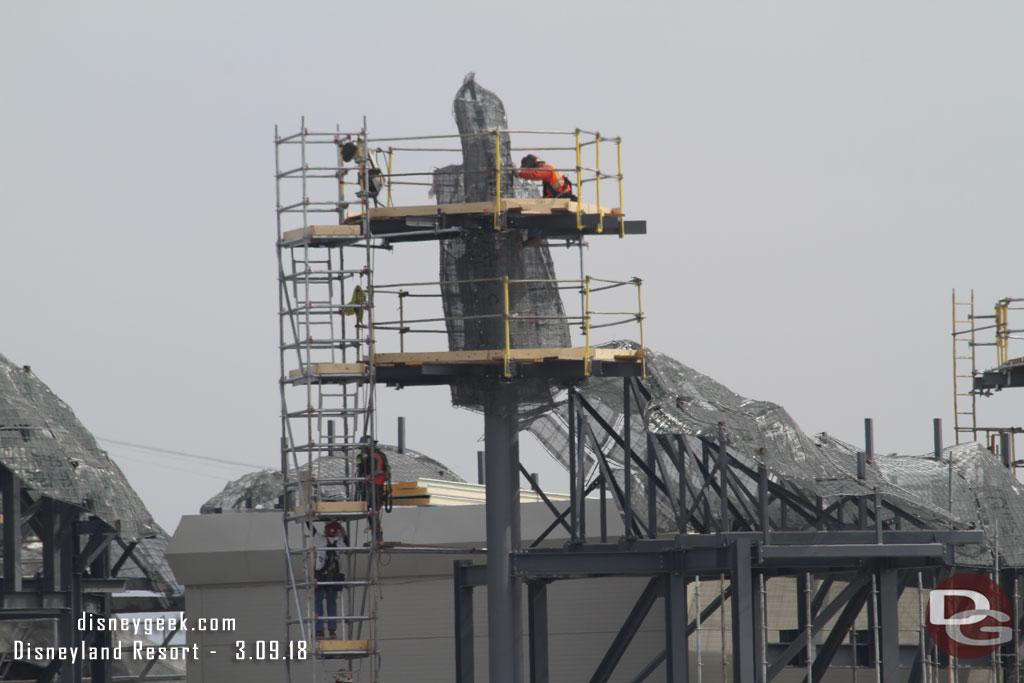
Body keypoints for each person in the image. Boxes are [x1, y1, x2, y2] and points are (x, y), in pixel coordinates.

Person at [314, 520, 348, 639]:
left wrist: (311, 516)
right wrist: (341, 525)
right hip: (333, 577)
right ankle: (332, 630)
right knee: (331, 604)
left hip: (321, 576)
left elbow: (310, 528)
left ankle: (319, 630)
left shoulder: (320, 540)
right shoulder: (340, 543)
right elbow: (346, 540)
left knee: (318, 602)